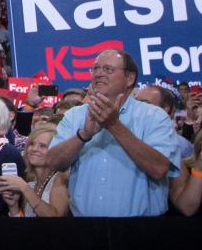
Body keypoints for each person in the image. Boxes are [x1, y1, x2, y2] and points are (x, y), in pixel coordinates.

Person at [47, 49, 182, 216]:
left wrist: (113, 125)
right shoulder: (74, 116)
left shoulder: (154, 116)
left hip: (141, 230)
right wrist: (83, 135)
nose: (99, 74)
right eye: (95, 69)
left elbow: (159, 168)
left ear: (130, 78)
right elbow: (52, 163)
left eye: (108, 69)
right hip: (85, 229)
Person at [0, 123, 68, 217]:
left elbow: (56, 217)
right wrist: (13, 206)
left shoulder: (59, 178)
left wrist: (24, 188)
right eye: (32, 144)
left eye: (42, 146)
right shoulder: (31, 184)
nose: (34, 149)